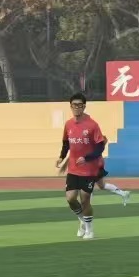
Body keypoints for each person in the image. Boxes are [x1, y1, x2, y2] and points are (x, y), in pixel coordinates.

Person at [56, 92, 109, 239]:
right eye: (74, 105)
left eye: (80, 105)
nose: (77, 107)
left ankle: (90, 230)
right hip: (73, 168)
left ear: (84, 106)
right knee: (70, 198)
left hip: (89, 169)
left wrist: (87, 158)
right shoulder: (68, 124)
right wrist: (61, 157)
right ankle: (82, 221)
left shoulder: (92, 125)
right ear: (71, 106)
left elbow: (100, 146)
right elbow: (66, 143)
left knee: (85, 199)